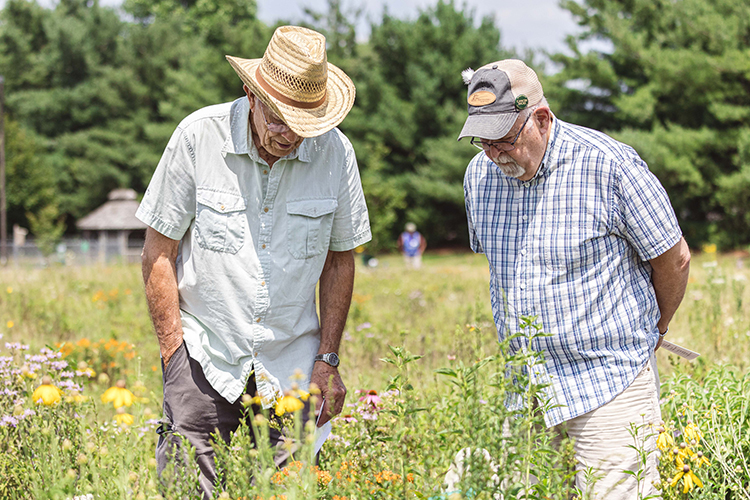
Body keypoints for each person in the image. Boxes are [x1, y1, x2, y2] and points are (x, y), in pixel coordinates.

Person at [137, 26, 371, 498]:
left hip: (295, 363)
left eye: (304, 125)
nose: (291, 136)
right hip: (205, 354)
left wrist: (328, 360)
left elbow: (340, 261)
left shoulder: (336, 152)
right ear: (251, 92)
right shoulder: (198, 137)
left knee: (296, 490)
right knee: (187, 489)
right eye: (280, 119)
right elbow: (159, 253)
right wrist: (173, 356)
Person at [459, 59, 690, 498]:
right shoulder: (479, 177)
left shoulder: (608, 165)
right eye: (482, 141)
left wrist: (658, 326)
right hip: (526, 387)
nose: (494, 154)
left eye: (505, 139)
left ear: (541, 119)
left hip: (609, 380)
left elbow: (674, 259)